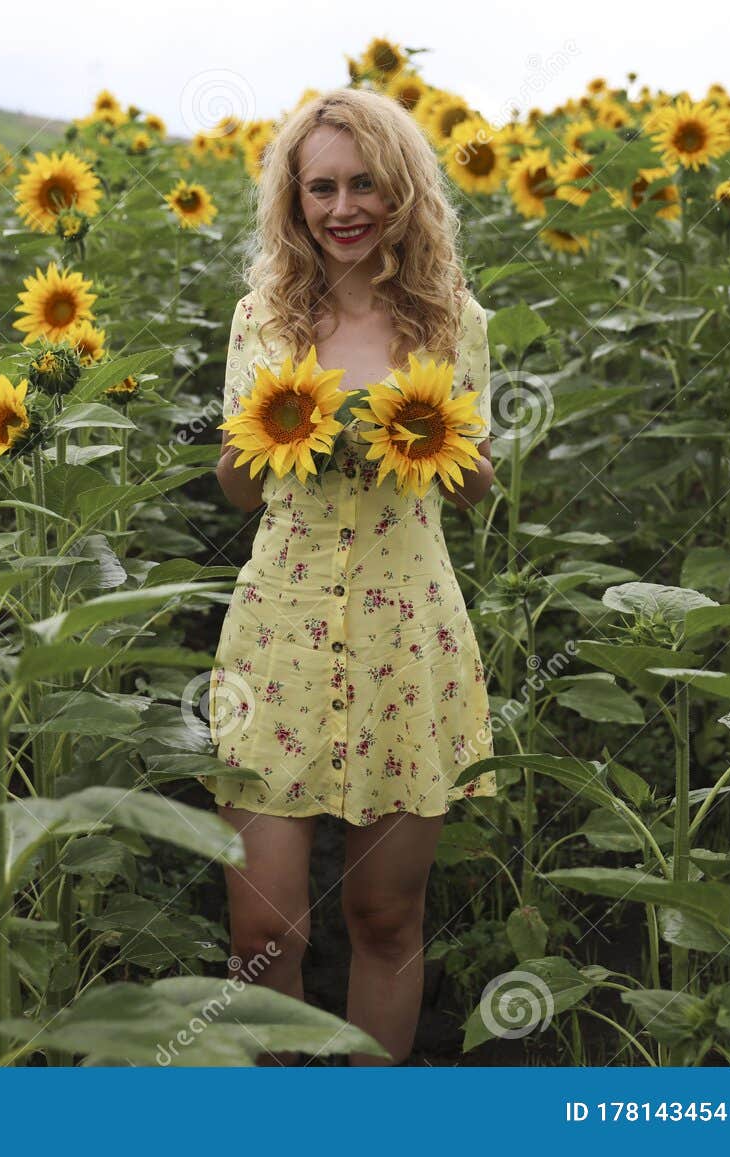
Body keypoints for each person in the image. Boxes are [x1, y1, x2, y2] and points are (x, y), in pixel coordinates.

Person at [198, 87, 499, 1067]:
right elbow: (236, 491)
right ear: (294, 199)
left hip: (405, 635)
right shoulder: (265, 316)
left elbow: (475, 484)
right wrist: (276, 425)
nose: (341, 208)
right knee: (264, 935)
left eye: (363, 183)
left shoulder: (451, 322)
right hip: (277, 633)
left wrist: (426, 438)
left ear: (403, 190)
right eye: (319, 186)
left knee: (383, 917)